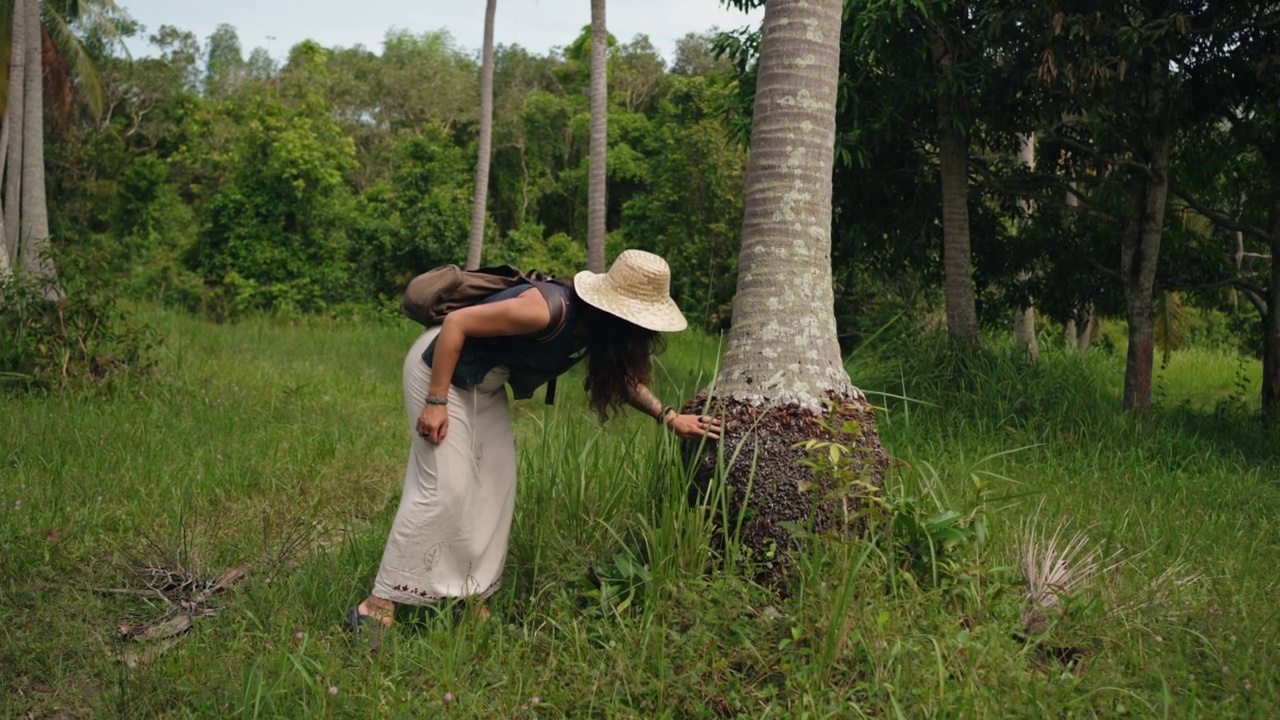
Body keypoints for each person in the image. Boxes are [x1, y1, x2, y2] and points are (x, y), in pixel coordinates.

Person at [348, 250, 721, 642]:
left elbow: (624, 381)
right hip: (438, 371)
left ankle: (470, 602)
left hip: (482, 385)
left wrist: (670, 417)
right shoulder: (546, 310)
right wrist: (436, 402)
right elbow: (455, 325)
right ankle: (377, 606)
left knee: (496, 489)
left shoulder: (599, 329)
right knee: (444, 487)